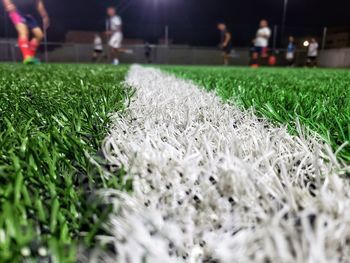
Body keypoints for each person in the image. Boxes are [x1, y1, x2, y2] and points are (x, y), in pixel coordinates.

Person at [2, 0, 50, 64]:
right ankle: (27, 57)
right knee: (23, 32)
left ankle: (30, 57)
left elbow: (39, 4)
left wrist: (44, 16)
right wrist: (8, 4)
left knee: (39, 35)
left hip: (28, 15)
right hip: (16, 11)